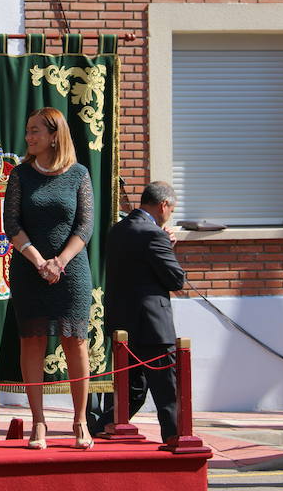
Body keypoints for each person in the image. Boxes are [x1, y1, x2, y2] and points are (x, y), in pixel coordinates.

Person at [3, 107, 95, 450]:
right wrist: (40, 262)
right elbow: (11, 224)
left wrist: (60, 262)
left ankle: (80, 421)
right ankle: (38, 422)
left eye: (35, 131)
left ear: (55, 135)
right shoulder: (20, 174)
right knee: (32, 341)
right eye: (28, 131)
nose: (28, 137)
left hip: (72, 272)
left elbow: (85, 226)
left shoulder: (79, 174)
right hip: (29, 270)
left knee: (75, 342)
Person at [90, 181, 185, 443]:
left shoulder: (117, 231)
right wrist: (168, 245)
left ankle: (103, 426)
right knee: (167, 388)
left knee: (131, 388)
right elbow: (176, 279)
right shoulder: (154, 235)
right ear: (163, 205)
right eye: (171, 210)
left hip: (122, 324)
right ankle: (174, 436)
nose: (169, 215)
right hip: (153, 326)